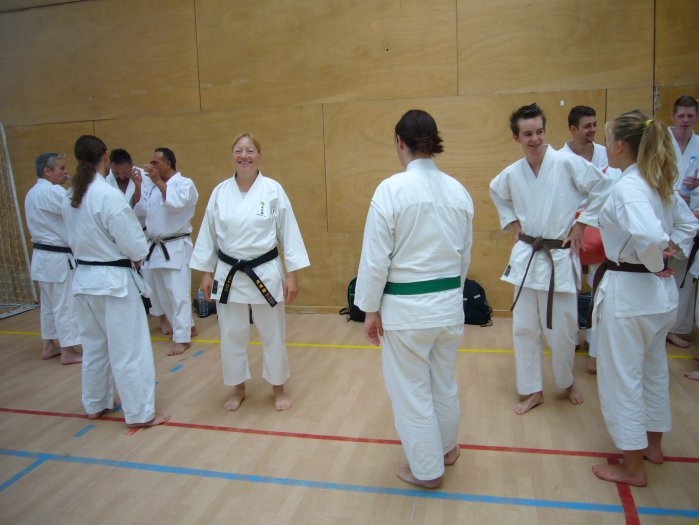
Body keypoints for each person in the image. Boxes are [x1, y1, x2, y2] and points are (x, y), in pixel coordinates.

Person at [354, 109, 474, 489]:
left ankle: (426, 470)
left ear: (399, 142)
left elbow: (375, 260)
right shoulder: (459, 192)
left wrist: (369, 310)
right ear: (433, 141)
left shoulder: (390, 190)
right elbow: (464, 258)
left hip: (407, 314)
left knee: (412, 393)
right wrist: (451, 296)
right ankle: (447, 449)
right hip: (449, 306)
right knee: (443, 383)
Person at [591, 111, 698, 486]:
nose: (606, 147)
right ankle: (653, 447)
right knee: (653, 372)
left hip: (631, 295)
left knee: (623, 379)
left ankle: (633, 467)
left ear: (620, 145)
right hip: (659, 299)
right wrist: (669, 252)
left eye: (608, 140)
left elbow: (650, 237)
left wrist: (656, 261)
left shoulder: (629, 187)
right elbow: (689, 225)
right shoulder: (657, 181)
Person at [489, 103, 614, 415]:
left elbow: (603, 186)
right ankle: (532, 389)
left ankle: (566, 381)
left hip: (558, 255)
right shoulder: (512, 173)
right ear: (516, 137)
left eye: (539, 132)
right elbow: (496, 191)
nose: (535, 139)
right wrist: (513, 223)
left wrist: (582, 224)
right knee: (524, 328)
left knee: (563, 329)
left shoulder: (565, 163)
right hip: (527, 257)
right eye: (527, 134)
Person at [190, 133, 310, 412]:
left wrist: (292, 274)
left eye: (250, 150)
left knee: (273, 333)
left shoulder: (272, 190)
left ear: (259, 156)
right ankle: (238, 388)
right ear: (232, 155)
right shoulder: (220, 192)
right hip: (228, 273)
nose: (244, 156)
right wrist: (206, 273)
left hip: (264, 271)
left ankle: (278, 387)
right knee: (231, 333)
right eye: (238, 150)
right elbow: (208, 234)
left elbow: (288, 232)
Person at [62, 134, 170, 428]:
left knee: (94, 348)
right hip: (114, 283)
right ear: (105, 157)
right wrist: (136, 255)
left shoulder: (70, 196)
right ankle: (140, 413)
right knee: (129, 349)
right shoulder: (108, 196)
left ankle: (95, 403)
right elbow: (135, 246)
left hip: (84, 280)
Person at [561, 105, 623, 374]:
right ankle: (571, 339)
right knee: (568, 289)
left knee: (600, 292)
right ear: (573, 129)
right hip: (570, 229)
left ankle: (596, 350)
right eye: (587, 126)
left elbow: (613, 190)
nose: (593, 130)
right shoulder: (560, 159)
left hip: (603, 229)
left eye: (595, 125)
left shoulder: (606, 154)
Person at [133, 147, 199, 356]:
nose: (150, 166)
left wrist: (158, 182)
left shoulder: (185, 184)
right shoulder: (152, 186)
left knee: (178, 294)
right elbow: (140, 210)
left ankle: (182, 338)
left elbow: (176, 204)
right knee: (163, 295)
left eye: (155, 163)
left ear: (168, 164)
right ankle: (189, 327)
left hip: (175, 246)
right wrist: (139, 185)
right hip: (155, 248)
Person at [24, 152, 82, 364]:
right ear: (46, 171)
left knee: (48, 305)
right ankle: (68, 351)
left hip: (42, 258)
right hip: (57, 258)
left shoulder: (32, 193)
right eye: (61, 168)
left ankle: (48, 345)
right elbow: (76, 208)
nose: (66, 172)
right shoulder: (53, 191)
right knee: (65, 304)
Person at [665, 95, 699, 348]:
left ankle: (676, 327)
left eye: (690, 116)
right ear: (673, 116)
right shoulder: (662, 141)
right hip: (664, 212)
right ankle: (659, 324)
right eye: (681, 115)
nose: (685, 120)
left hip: (691, 215)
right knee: (659, 270)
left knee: (682, 275)